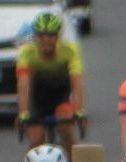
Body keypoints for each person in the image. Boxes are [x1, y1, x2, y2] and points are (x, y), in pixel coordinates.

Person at [15, 13, 85, 151]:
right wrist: (23, 113)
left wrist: (79, 110)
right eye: (41, 36)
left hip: (61, 96)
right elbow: (23, 84)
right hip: (37, 98)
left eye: (51, 35)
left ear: (58, 36)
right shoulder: (26, 52)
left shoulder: (70, 50)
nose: (46, 40)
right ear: (35, 36)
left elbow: (77, 81)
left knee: (66, 129)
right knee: (36, 139)